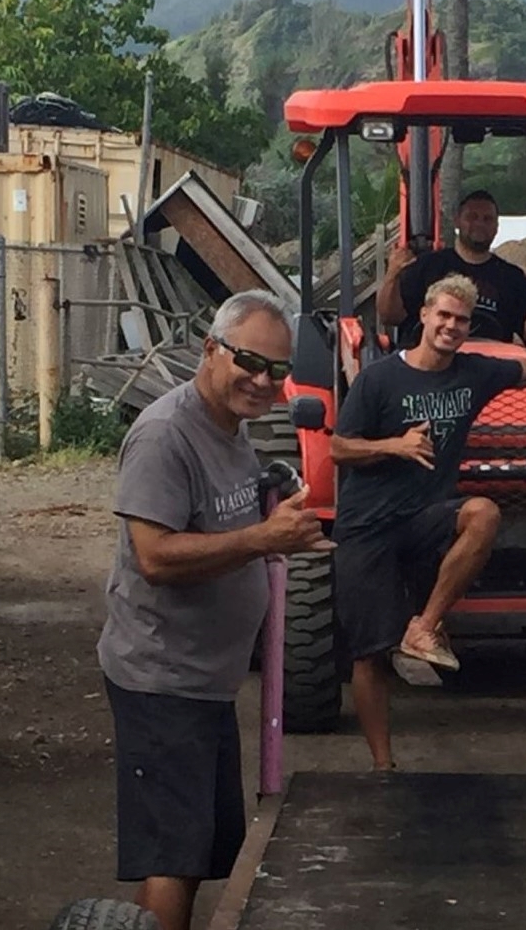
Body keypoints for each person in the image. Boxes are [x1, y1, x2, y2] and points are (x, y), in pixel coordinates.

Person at [97, 291, 329, 930]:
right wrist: (264, 539)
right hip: (161, 678)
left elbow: (222, 510)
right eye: (249, 361)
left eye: (276, 371)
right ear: (210, 348)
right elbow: (155, 556)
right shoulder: (166, 435)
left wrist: (269, 501)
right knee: (173, 855)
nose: (262, 381)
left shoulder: (230, 426)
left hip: (205, 680)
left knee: (196, 851)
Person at [332, 273, 526, 770]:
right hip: (368, 525)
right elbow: (338, 446)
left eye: (461, 320)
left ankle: (425, 626)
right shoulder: (379, 378)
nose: (451, 326)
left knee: (483, 512)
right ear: (423, 315)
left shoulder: (473, 373)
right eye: (443, 315)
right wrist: (392, 446)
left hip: (426, 517)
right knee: (368, 654)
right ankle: (383, 766)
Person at [376, 189, 526, 348]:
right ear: (457, 221)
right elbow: (389, 317)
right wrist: (393, 273)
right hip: (428, 368)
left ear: (496, 227)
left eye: (487, 219)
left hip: (492, 369)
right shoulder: (425, 267)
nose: (479, 223)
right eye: (472, 217)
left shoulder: (512, 278)